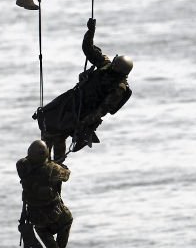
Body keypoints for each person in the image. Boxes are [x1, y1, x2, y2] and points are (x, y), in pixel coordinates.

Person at [34, 18, 133, 161]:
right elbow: (88, 49)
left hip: (82, 113)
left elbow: (102, 110)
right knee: (47, 120)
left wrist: (83, 124)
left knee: (59, 133)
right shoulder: (105, 65)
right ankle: (44, 162)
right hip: (73, 100)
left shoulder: (119, 88)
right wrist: (90, 32)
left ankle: (54, 168)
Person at [16, 139, 74, 248]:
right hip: (52, 212)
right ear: (45, 154)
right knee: (67, 219)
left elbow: (26, 160)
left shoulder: (21, 167)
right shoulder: (52, 169)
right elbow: (66, 175)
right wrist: (60, 165)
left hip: (34, 214)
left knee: (42, 230)